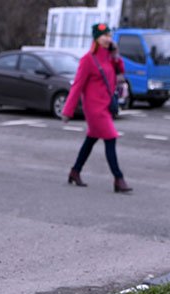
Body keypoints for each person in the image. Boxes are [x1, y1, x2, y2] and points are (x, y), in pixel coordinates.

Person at [61, 23, 132, 193]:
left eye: (109, 36)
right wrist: (68, 110)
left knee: (91, 139)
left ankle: (75, 171)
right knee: (111, 137)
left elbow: (121, 71)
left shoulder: (109, 57)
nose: (108, 39)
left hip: (106, 105)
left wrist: (116, 55)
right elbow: (77, 86)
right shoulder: (88, 60)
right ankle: (118, 179)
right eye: (104, 36)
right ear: (96, 38)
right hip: (94, 109)